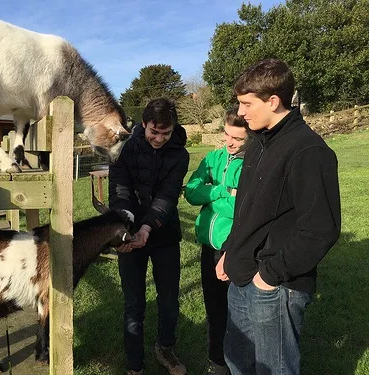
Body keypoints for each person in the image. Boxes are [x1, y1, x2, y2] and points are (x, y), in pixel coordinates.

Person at [217, 58, 341, 375]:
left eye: (246, 104)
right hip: (240, 275)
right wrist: (229, 251)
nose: (240, 112)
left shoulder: (309, 150)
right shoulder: (257, 144)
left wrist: (269, 276)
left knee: (275, 369)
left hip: (275, 286)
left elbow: (320, 230)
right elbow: (246, 209)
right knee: (238, 360)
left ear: (273, 101)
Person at [108, 98, 189, 375]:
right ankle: (135, 363)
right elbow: (120, 191)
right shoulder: (124, 150)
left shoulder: (180, 154)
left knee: (169, 300)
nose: (159, 139)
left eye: (165, 134)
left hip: (164, 233)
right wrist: (127, 229)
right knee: (134, 303)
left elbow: (167, 195)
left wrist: (148, 227)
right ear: (144, 124)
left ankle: (165, 348)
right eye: (154, 132)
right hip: (130, 235)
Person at [185, 106, 249, 375]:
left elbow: (244, 208)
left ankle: (240, 364)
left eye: (238, 138)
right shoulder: (212, 158)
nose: (229, 143)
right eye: (226, 135)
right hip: (207, 245)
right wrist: (223, 192)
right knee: (214, 307)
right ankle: (217, 362)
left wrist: (211, 198)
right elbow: (190, 192)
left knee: (238, 309)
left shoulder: (253, 164)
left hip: (234, 245)